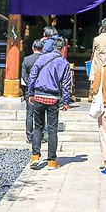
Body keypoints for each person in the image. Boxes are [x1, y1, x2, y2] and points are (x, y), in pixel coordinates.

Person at [27, 38, 71, 170]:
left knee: (38, 127)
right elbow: (66, 84)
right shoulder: (64, 62)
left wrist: (31, 93)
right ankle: (51, 160)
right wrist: (66, 101)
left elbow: (32, 76)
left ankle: (35, 156)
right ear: (63, 48)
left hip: (39, 96)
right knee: (52, 130)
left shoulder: (42, 58)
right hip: (53, 98)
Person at [20, 39, 44, 143]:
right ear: (42, 48)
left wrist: (30, 84)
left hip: (29, 89)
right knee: (41, 113)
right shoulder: (45, 59)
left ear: (32, 48)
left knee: (29, 113)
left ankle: (29, 136)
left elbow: (24, 75)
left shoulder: (26, 59)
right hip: (42, 89)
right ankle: (40, 136)